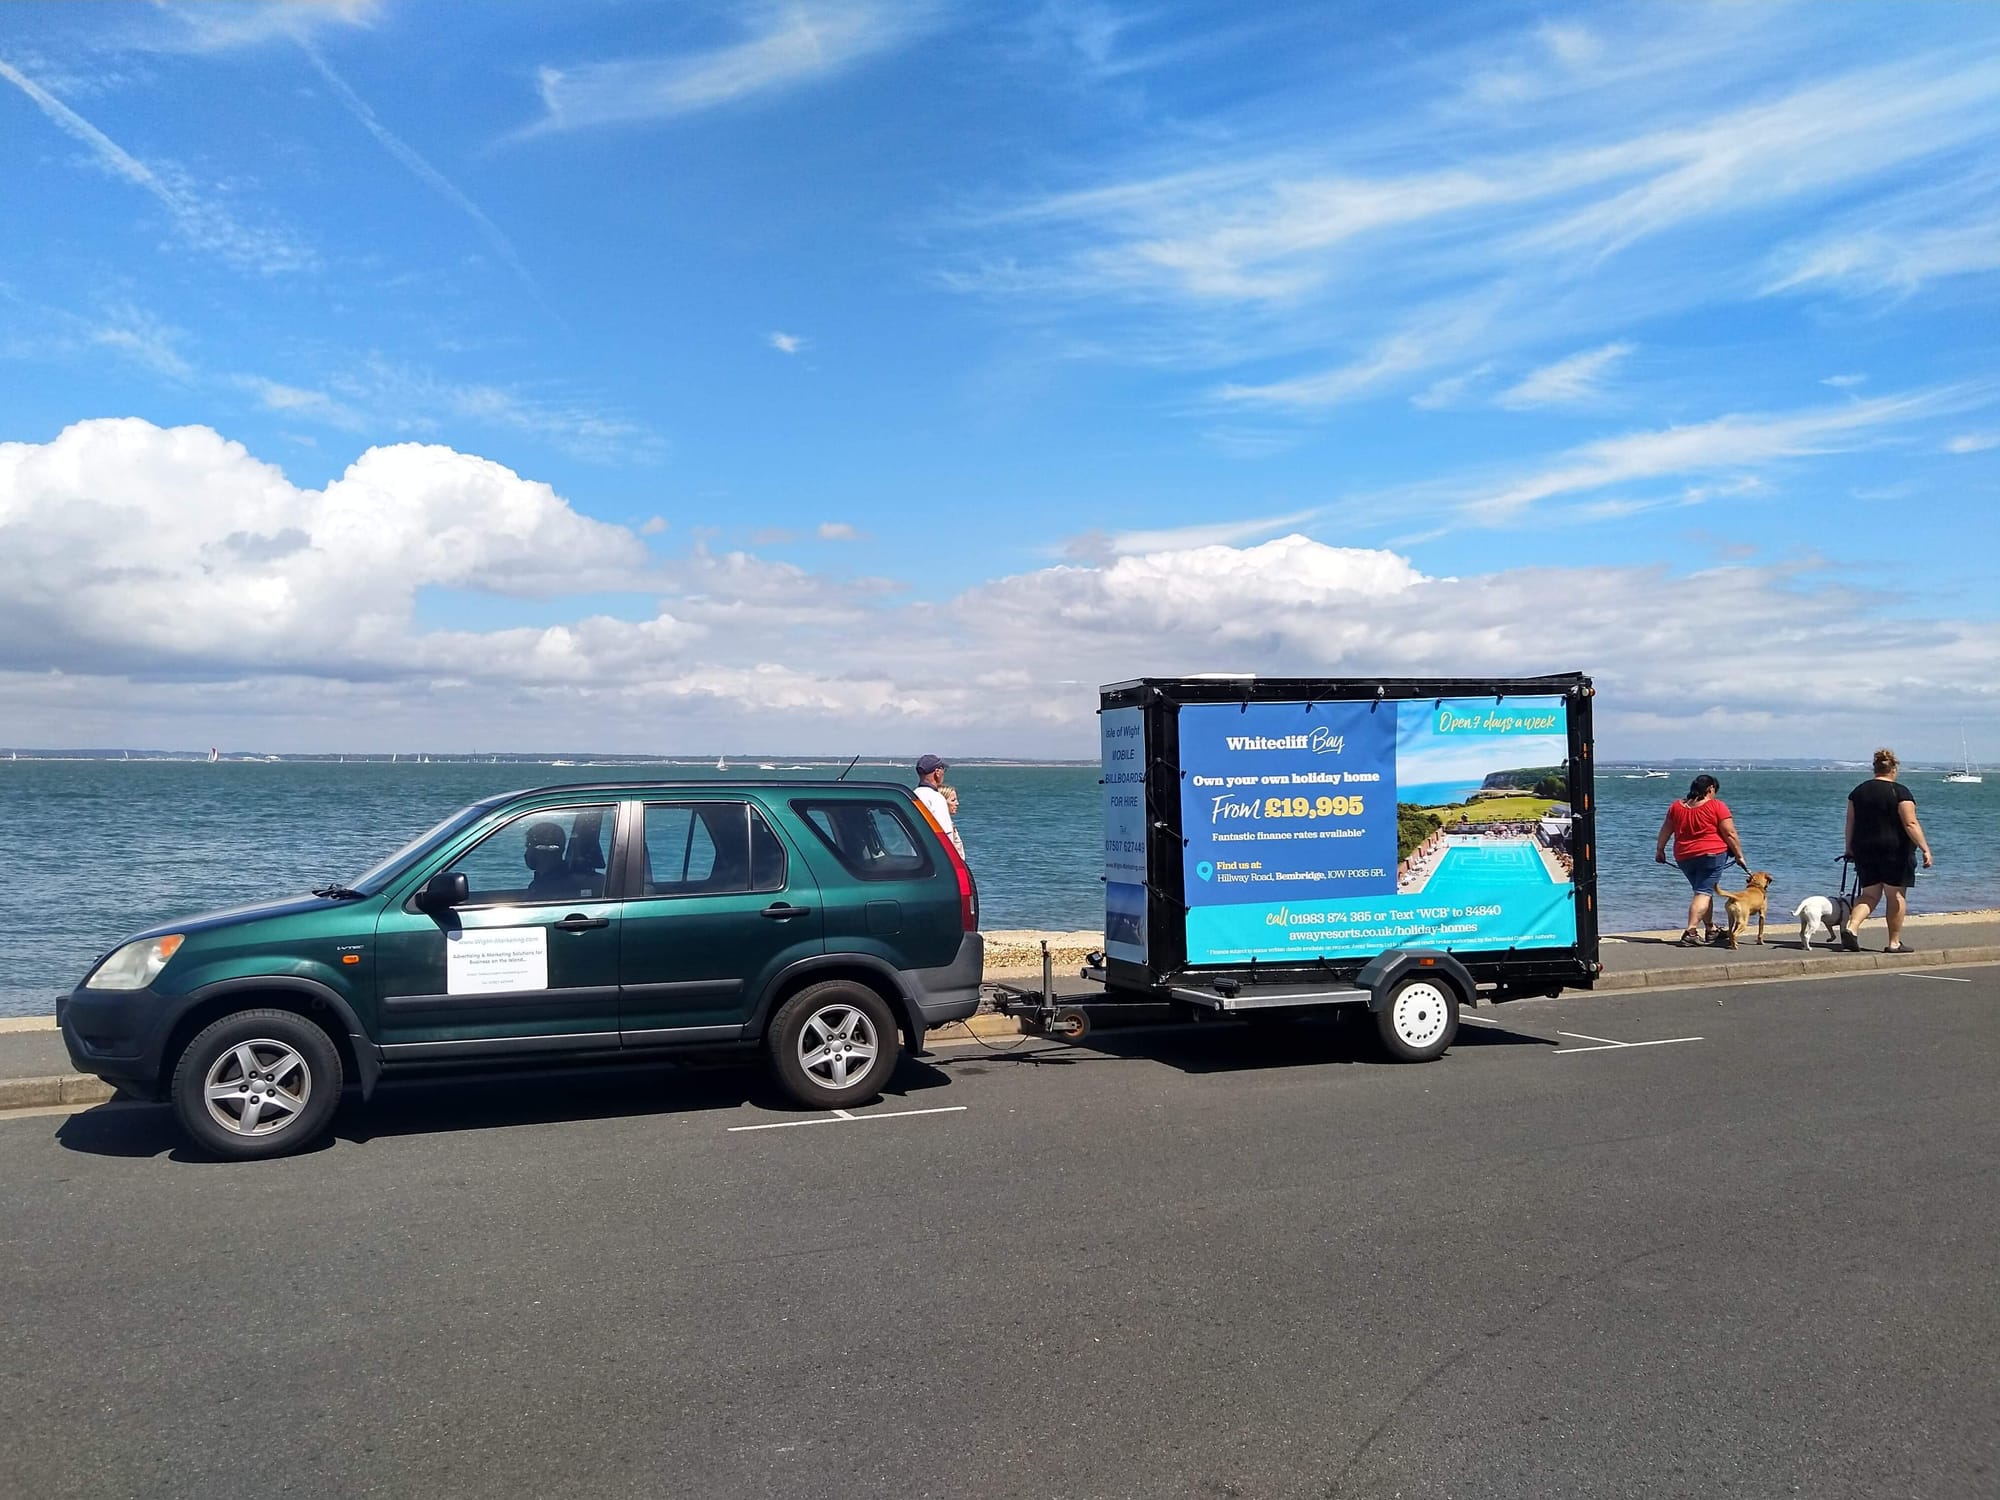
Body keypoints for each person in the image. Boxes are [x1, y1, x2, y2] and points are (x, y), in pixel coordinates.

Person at [1841, 748, 1934, 953]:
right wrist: (1925, 848)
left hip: (1864, 849)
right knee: (1896, 896)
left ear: (1875, 769)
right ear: (1894, 769)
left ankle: (1851, 927)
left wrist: (1849, 848)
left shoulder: (1858, 792)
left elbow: (1850, 823)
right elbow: (1910, 823)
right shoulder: (1900, 792)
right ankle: (1894, 943)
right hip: (1895, 850)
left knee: (1869, 895)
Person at [1653, 774, 1748, 946]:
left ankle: (1711, 929)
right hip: (1712, 855)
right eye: (1714, 791)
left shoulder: (1677, 806)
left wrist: (1660, 850)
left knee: (1702, 890)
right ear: (1710, 788)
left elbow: (1666, 829)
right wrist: (1740, 856)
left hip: (1684, 856)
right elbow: (1730, 833)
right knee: (1703, 892)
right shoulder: (1717, 806)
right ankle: (1690, 931)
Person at [913, 753, 965, 858]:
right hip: (935, 860)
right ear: (937, 772)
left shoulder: (914, 795)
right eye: (943, 770)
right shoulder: (936, 798)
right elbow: (945, 835)